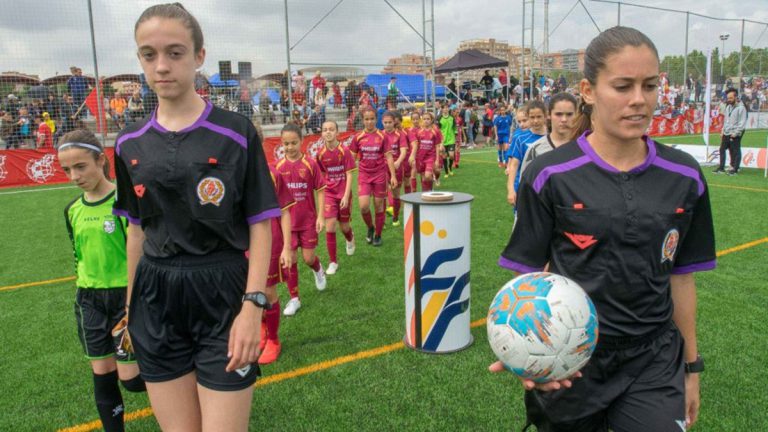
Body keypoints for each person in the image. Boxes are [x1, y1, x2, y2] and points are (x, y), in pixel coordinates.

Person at [494, 26, 715, 432]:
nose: (639, 100)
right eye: (622, 85)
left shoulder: (684, 176)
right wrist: (527, 353)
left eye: (649, 86)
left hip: (654, 358)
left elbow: (682, 279)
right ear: (589, 90)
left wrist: (691, 368)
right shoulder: (549, 174)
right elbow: (527, 279)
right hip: (572, 362)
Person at [113, 5, 279, 430]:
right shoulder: (128, 141)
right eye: (149, 55)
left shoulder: (235, 131)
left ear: (199, 56)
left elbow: (261, 223)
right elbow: (136, 232)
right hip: (155, 294)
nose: (162, 66)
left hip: (222, 292)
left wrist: (253, 306)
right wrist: (131, 311)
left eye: (175, 52)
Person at [58, 129, 146, 432]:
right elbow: (78, 255)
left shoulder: (123, 202)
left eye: (80, 167)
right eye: (67, 170)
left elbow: (139, 252)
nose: (74, 176)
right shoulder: (72, 210)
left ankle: (183, 384)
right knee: (103, 373)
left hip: (125, 299)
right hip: (90, 301)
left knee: (132, 380)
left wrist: (133, 301)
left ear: (101, 160)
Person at [274, 123, 327, 316]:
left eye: (293, 143)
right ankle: (294, 298)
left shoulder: (310, 164)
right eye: (286, 144)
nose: (289, 147)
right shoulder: (278, 168)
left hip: (307, 221)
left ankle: (318, 267)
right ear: (281, 144)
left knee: (308, 258)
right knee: (291, 260)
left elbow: (320, 190)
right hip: (287, 225)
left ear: (302, 142)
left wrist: (321, 215)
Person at [258, 155, 295, 364]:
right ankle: (262, 328)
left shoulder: (272, 173)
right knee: (246, 291)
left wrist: (287, 248)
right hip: (241, 240)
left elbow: (285, 212)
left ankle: (273, 339)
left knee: (268, 290)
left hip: (270, 238)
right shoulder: (231, 169)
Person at [350, 108, 397, 246]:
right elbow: (351, 158)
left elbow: (388, 156)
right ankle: (370, 227)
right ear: (363, 120)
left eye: (372, 119)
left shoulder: (383, 136)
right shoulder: (358, 137)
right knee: (364, 206)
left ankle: (378, 235)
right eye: (366, 119)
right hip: (364, 175)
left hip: (379, 175)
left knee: (378, 206)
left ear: (376, 120)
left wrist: (393, 176)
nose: (369, 122)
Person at [316, 120, 356, 275]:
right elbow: (322, 173)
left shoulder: (344, 151)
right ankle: (333, 262)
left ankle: (350, 237)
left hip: (344, 192)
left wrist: (346, 195)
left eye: (331, 129)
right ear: (322, 133)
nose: (328, 132)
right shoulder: (320, 154)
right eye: (325, 129)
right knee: (330, 225)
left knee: (344, 226)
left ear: (337, 132)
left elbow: (349, 174)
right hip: (329, 193)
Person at [519, 92, 577, 176]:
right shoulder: (535, 150)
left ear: (576, 114)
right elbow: (526, 186)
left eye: (569, 114)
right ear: (549, 115)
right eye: (558, 114)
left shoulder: (586, 147)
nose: (564, 119)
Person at [506, 101, 546, 206]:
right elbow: (514, 166)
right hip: (523, 187)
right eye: (532, 117)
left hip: (546, 189)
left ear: (546, 116)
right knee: (522, 220)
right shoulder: (520, 138)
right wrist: (510, 189)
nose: (536, 121)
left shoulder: (553, 137)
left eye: (539, 117)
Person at [382, 111, 409, 225]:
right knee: (381, 193)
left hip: (396, 167)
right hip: (382, 167)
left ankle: (396, 217)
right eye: (385, 122)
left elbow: (403, 150)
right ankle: (381, 220)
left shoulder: (400, 134)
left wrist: (398, 161)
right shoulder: (380, 134)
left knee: (396, 193)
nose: (387, 124)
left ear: (394, 122)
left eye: (390, 122)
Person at [713, 88, 747, 175]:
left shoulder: (741, 108)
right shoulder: (728, 107)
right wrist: (722, 130)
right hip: (726, 131)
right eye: (728, 98)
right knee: (722, 149)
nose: (729, 100)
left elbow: (742, 123)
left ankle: (735, 169)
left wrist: (736, 133)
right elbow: (726, 120)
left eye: (731, 98)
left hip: (736, 132)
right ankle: (721, 168)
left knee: (735, 150)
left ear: (736, 97)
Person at [408, 111, 443, 192]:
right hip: (420, 158)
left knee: (427, 176)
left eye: (428, 119)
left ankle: (430, 189)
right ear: (422, 120)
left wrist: (437, 160)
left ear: (431, 120)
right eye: (424, 119)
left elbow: (437, 146)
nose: (426, 120)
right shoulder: (418, 132)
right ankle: (426, 192)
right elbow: (416, 145)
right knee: (424, 177)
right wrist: (413, 156)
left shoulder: (435, 131)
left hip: (430, 157)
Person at [438, 106, 456, 177]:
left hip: (451, 139)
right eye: (444, 108)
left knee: (451, 156)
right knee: (444, 156)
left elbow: (454, 127)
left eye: (446, 108)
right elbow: (438, 129)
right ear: (442, 109)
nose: (445, 109)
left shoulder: (452, 118)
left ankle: (450, 168)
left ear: (448, 109)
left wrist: (456, 136)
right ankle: (446, 172)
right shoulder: (439, 118)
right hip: (443, 141)